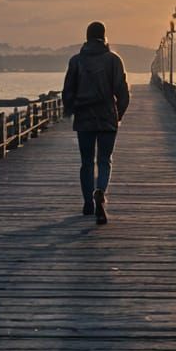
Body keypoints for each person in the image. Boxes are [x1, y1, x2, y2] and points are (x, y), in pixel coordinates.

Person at [61, 20, 130, 224]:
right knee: (104, 160)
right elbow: (123, 92)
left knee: (86, 162)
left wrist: (71, 109)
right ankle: (100, 191)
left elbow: (68, 91)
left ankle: (88, 203)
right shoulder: (113, 60)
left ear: (87, 37)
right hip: (107, 117)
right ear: (104, 36)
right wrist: (119, 114)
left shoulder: (76, 61)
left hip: (84, 118)